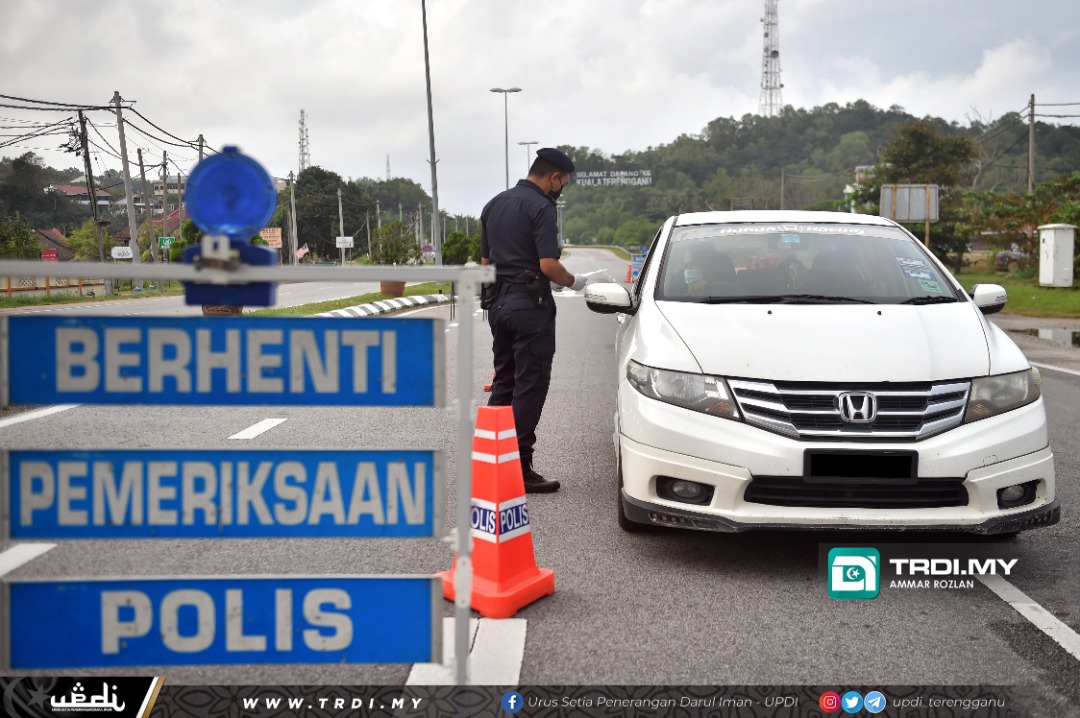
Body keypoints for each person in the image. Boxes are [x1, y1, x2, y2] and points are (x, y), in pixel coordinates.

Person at [480, 147, 586, 493]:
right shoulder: (541, 207)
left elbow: (485, 265)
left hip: (498, 304)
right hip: (530, 305)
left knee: (504, 380)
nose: (561, 189)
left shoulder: (494, 204)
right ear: (554, 177)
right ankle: (520, 465)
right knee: (531, 382)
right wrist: (574, 281)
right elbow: (548, 266)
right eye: (563, 183)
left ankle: (492, 461)